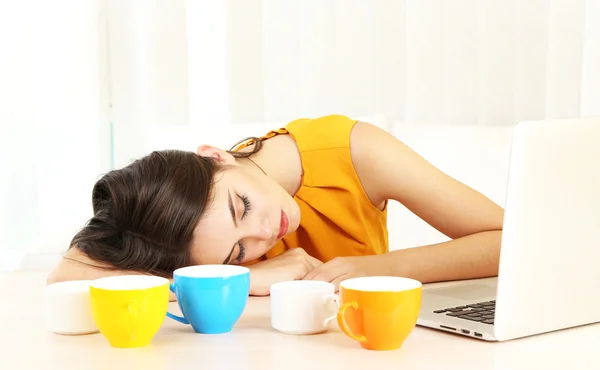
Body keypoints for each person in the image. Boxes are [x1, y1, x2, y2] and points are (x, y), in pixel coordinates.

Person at [47, 115, 504, 296]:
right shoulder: (186, 233)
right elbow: (65, 276)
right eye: (236, 252)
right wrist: (246, 278)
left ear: (215, 156)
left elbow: (515, 240)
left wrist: (381, 269)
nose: (266, 233)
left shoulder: (357, 151)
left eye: (241, 207)